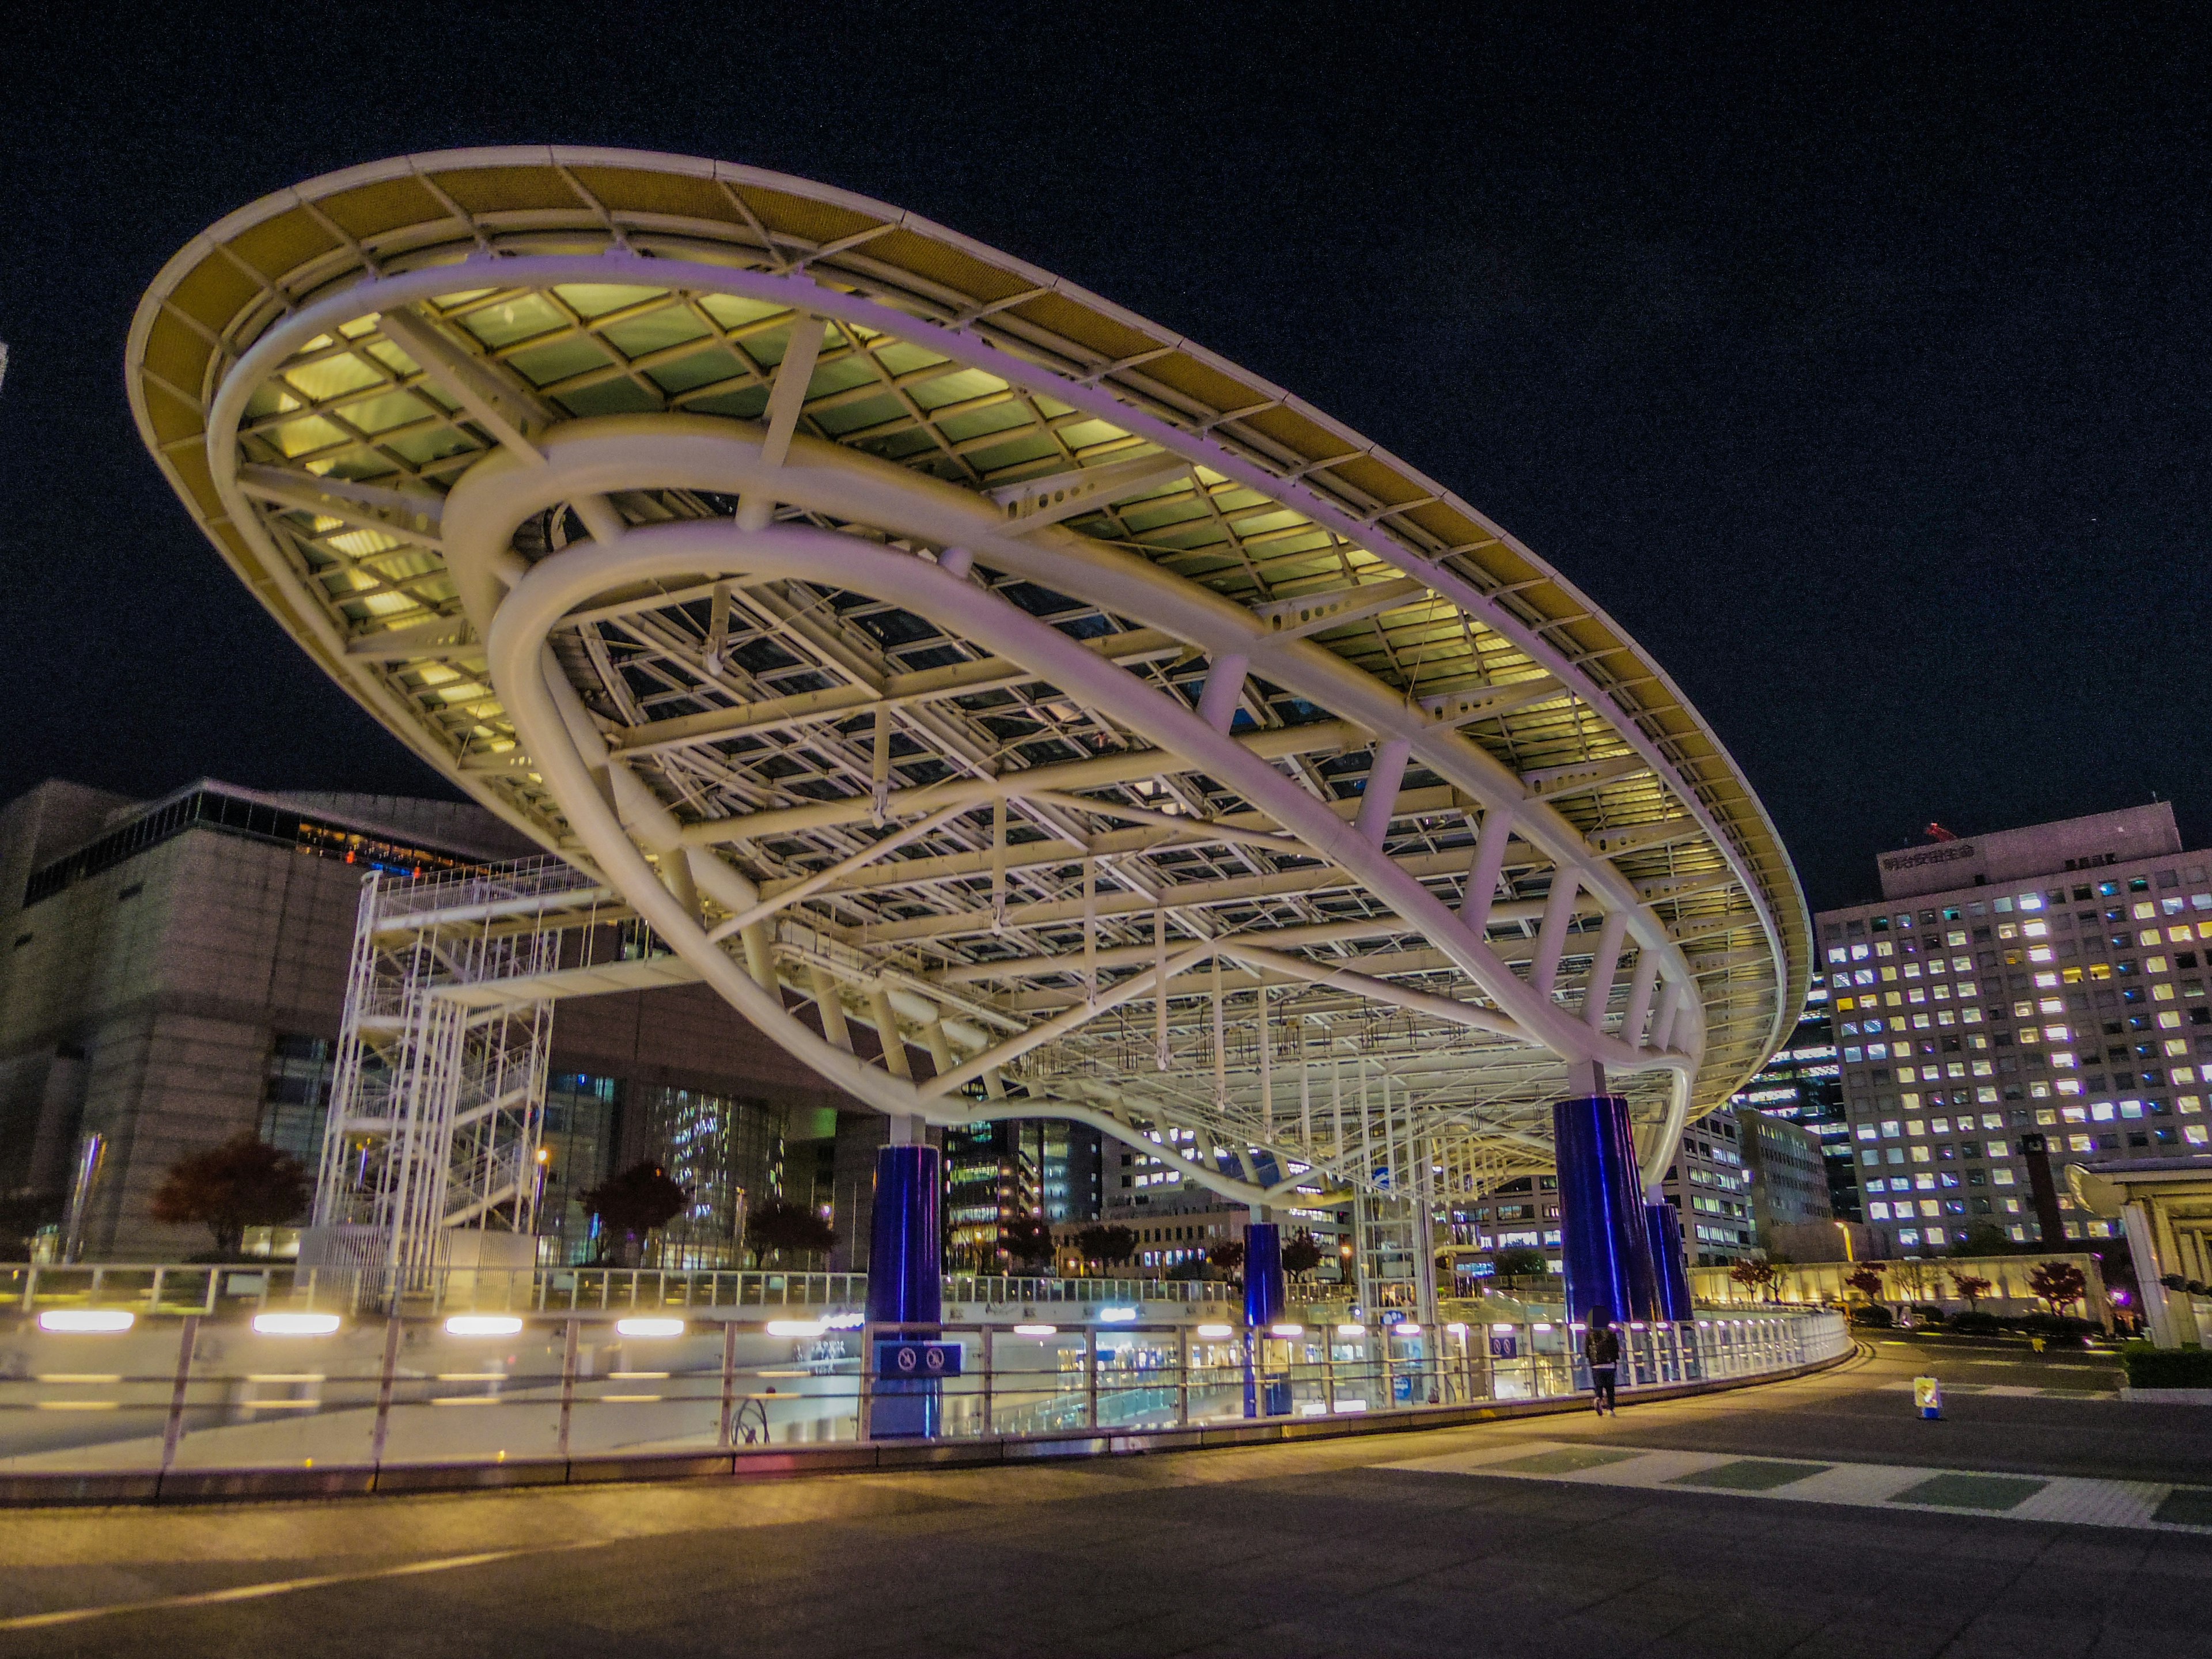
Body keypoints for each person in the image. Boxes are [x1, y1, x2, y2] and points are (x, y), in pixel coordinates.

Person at [1584, 1308, 1621, 1415]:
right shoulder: (1611, 1333)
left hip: (1596, 1365)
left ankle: (1598, 1398)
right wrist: (1614, 1362)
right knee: (1610, 1388)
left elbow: (1587, 1350)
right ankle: (1611, 1409)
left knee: (1598, 1385)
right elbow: (1615, 1349)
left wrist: (1592, 1361)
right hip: (1610, 1365)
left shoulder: (1589, 1334)